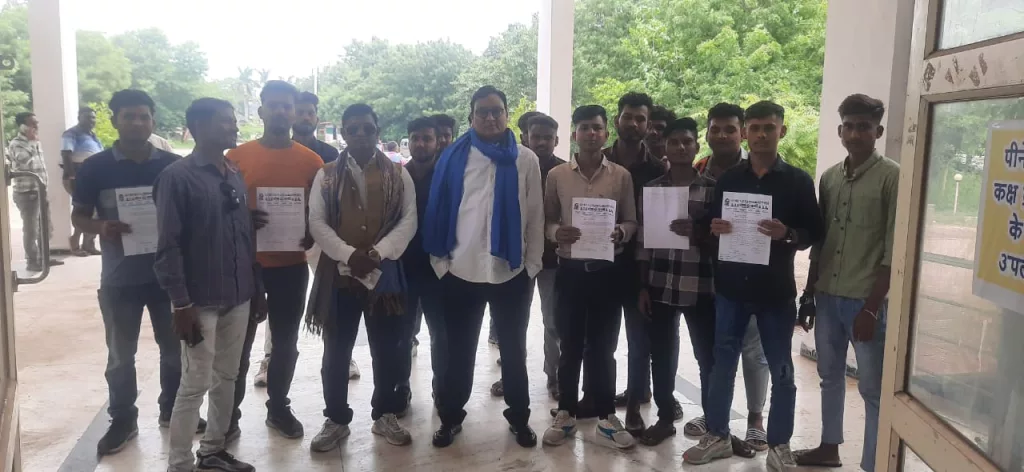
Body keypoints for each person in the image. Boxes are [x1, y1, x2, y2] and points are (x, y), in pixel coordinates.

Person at [684, 101, 824, 471]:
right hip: (730, 288)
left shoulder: (797, 181)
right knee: (722, 365)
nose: (761, 134)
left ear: (782, 131)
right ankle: (718, 435)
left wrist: (788, 233)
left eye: (769, 127)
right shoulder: (730, 180)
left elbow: (814, 231)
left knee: (782, 371)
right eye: (756, 128)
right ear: (746, 132)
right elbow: (713, 224)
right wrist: (715, 228)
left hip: (774, 293)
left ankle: (779, 445)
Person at [69, 90, 192, 455]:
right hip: (120, 279)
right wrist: (100, 227)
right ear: (114, 121)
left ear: (153, 120)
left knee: (175, 351)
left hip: (168, 279)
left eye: (143, 116)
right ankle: (123, 419)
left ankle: (172, 410)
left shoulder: (173, 166)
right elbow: (78, 216)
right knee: (121, 356)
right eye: (129, 116)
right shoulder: (95, 168)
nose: (137, 123)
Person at [423, 85, 543, 449]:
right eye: (482, 112)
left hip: (510, 271)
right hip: (462, 270)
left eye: (497, 111)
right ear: (471, 116)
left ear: (507, 114)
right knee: (458, 352)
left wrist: (532, 265)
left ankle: (519, 418)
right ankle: (450, 418)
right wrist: (441, 263)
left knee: (514, 351)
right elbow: (439, 208)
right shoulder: (453, 156)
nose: (490, 118)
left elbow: (535, 214)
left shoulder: (525, 159)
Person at [156, 97, 265, 472]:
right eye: (225, 121)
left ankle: (213, 451)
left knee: (228, 376)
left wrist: (256, 288)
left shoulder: (232, 172)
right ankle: (179, 462)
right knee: (194, 383)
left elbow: (243, 236)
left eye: (233, 120)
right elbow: (168, 246)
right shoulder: (177, 177)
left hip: (238, 295)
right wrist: (180, 304)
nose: (234, 126)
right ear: (199, 127)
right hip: (199, 301)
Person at [795, 94, 898, 472]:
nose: (855, 134)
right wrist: (808, 294)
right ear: (840, 130)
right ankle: (829, 447)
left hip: (864, 300)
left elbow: (893, 251)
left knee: (872, 389)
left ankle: (873, 464)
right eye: (849, 126)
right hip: (827, 295)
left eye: (864, 127)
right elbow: (821, 242)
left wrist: (871, 308)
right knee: (829, 376)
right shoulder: (830, 178)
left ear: (878, 132)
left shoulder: (892, 177)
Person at [306, 103, 418, 451]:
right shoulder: (326, 175)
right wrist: (348, 254)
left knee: (387, 348)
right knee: (336, 350)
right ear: (343, 133)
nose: (360, 135)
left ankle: (384, 414)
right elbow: (317, 222)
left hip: (383, 275)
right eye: (352, 129)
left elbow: (409, 220)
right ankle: (336, 419)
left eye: (367, 128)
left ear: (377, 131)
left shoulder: (398, 174)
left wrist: (377, 253)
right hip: (338, 276)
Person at [226, 80, 324, 441]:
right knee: (238, 344)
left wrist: (312, 232)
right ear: (262, 110)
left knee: (285, 343)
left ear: (295, 113)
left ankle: (278, 407)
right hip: (244, 266)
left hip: (291, 267)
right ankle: (228, 415)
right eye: (274, 105)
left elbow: (320, 214)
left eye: (288, 106)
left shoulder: (311, 162)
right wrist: (241, 220)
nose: (281, 111)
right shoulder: (235, 158)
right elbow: (219, 209)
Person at [542, 105, 637, 450]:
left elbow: (631, 220)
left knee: (604, 348)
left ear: (605, 133)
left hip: (606, 274)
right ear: (574, 135)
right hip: (570, 273)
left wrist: (621, 233)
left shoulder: (621, 176)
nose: (591, 134)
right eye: (584, 128)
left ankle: (606, 416)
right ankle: (566, 413)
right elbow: (547, 220)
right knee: (569, 345)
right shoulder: (557, 176)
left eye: (597, 128)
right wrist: (557, 233)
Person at [684, 102, 771, 451]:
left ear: (743, 133)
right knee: (713, 353)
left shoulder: (760, 172)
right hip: (703, 277)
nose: (722, 135)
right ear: (706, 133)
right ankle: (714, 416)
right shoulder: (697, 171)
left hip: (749, 278)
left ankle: (755, 420)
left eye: (730, 129)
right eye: (715, 129)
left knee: (752, 351)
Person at [253, 91, 344, 389]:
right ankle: (268, 358)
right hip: (273, 245)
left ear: (316, 117)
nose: (304, 116)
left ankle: (340, 354)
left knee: (329, 295)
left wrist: (320, 230)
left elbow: (337, 200)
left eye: (309, 112)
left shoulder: (328, 156)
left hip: (319, 240)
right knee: (277, 309)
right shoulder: (261, 153)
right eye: (300, 111)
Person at [634, 117, 711, 446]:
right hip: (660, 283)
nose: (681, 147)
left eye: (687, 142)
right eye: (674, 142)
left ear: (697, 146)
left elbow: (722, 239)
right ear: (665, 146)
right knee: (662, 355)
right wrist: (642, 286)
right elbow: (643, 242)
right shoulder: (652, 189)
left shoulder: (713, 189)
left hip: (702, 285)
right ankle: (665, 417)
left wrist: (698, 233)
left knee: (707, 357)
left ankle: (714, 421)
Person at [603, 92, 672, 433]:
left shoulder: (659, 170)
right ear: (617, 120)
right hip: (601, 264)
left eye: (640, 119)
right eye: (628, 117)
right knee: (601, 340)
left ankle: (633, 405)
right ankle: (600, 400)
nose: (633, 123)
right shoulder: (597, 160)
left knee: (639, 341)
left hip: (641, 268)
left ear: (648, 125)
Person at [492, 112, 565, 400]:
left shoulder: (564, 172)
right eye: (536, 137)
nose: (542, 142)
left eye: (548, 137)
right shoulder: (510, 167)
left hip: (553, 260)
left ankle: (555, 376)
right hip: (516, 259)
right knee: (513, 323)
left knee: (553, 322)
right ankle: (511, 376)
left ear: (557, 140)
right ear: (524, 137)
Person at [396, 116, 444, 410]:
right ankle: (401, 388)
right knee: (402, 334)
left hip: (440, 268)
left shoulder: (449, 176)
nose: (421, 144)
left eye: (427, 138)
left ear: (437, 142)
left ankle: (442, 389)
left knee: (441, 334)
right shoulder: (397, 177)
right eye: (415, 138)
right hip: (404, 267)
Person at [7, 112, 62, 271]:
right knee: (31, 229)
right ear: (22, 126)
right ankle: (32, 261)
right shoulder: (17, 144)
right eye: (32, 123)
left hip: (40, 190)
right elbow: (25, 162)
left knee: (46, 227)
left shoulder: (36, 142)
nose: (36, 126)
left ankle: (44, 258)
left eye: (36, 123)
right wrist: (31, 142)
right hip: (27, 192)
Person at [62, 106, 104, 257]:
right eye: (88, 117)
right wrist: (72, 177)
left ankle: (89, 244)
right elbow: (66, 154)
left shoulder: (93, 136)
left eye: (93, 117)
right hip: (78, 175)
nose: (91, 120)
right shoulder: (71, 133)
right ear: (79, 117)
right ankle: (75, 244)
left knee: (95, 211)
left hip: (94, 177)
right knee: (82, 211)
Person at [293, 91, 340, 164]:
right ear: (290, 118)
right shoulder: (281, 152)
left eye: (310, 113)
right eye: (300, 113)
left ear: (317, 120)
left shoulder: (331, 154)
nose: (306, 118)